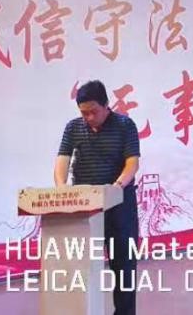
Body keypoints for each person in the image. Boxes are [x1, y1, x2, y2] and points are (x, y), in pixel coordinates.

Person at [54, 79, 141, 315]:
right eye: (84, 113)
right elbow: (62, 160)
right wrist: (61, 188)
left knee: (123, 268)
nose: (89, 117)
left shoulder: (125, 125)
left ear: (106, 105)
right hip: (85, 207)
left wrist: (116, 186)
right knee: (82, 268)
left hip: (119, 205)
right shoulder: (73, 127)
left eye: (93, 112)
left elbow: (132, 163)